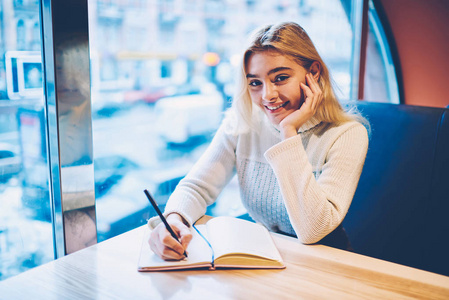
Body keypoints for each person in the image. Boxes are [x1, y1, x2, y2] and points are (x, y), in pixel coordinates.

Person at [148, 21, 369, 260]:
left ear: (313, 73)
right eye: (255, 83)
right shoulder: (242, 122)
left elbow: (312, 230)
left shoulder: (347, 134)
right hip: (265, 253)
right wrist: (173, 220)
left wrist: (288, 132)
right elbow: (196, 187)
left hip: (326, 261)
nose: (268, 95)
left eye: (281, 78)